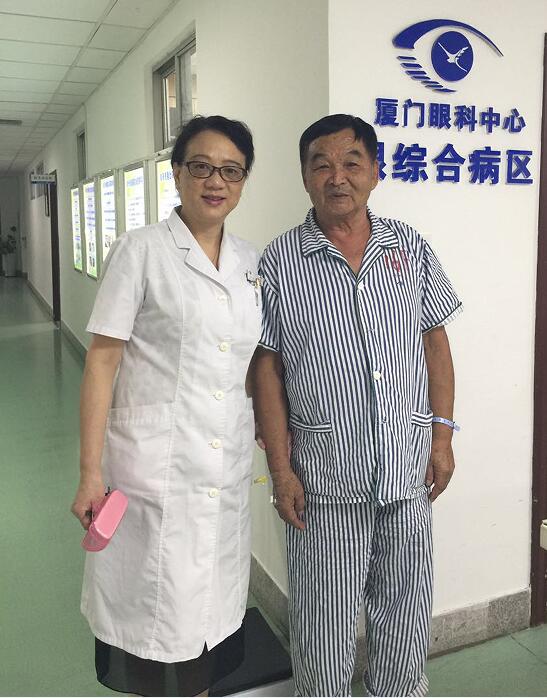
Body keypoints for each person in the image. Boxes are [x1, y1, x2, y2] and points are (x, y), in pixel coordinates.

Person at [254, 114, 462, 697]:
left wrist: (442, 437)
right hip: (323, 481)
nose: (336, 176)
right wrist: (279, 470)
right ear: (304, 176)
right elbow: (265, 369)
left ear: (375, 171)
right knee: (323, 630)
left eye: (351, 163)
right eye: (321, 164)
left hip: (407, 471)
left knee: (406, 616)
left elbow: (436, 344)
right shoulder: (278, 261)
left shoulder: (409, 247)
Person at [71, 115, 261, 697]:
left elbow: (252, 360)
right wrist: (89, 472)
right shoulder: (140, 251)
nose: (215, 181)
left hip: (222, 467)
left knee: (208, 622)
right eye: (200, 166)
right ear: (176, 174)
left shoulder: (251, 262)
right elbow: (102, 362)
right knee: (151, 618)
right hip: (152, 469)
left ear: (243, 181)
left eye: (231, 170)